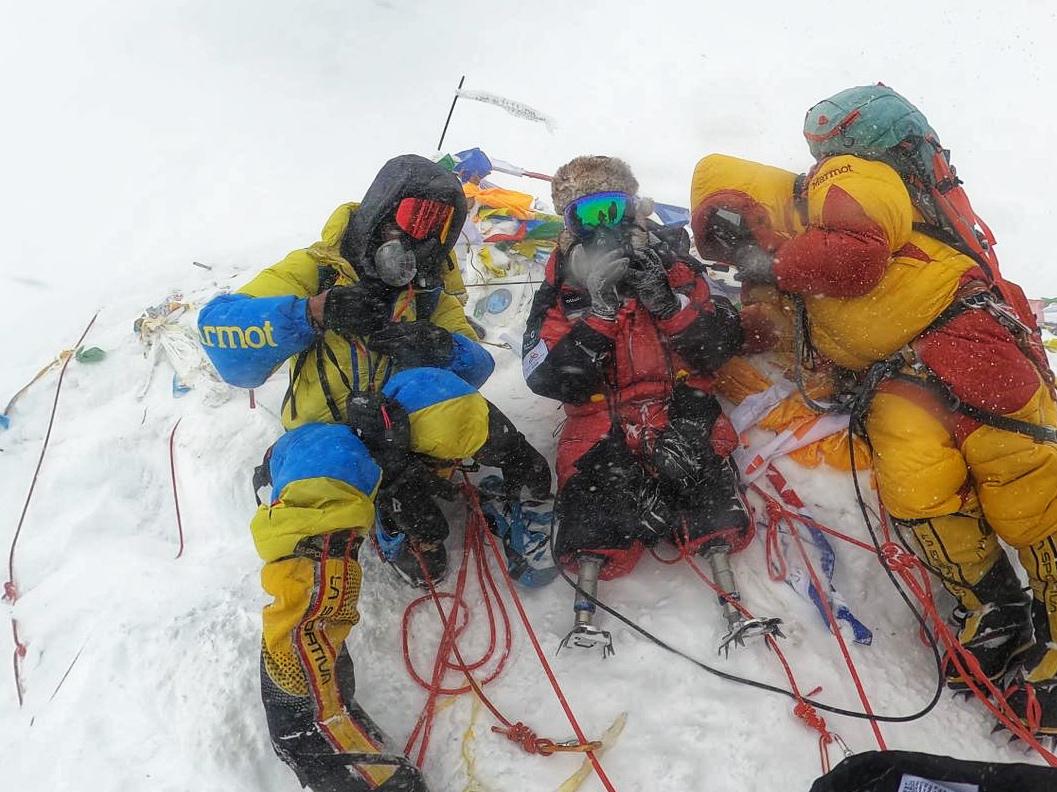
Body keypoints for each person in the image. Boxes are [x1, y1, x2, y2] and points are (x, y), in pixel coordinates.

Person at [692, 85, 1057, 734]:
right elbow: (766, 332)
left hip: (964, 343)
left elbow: (856, 259)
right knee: (921, 497)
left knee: (1027, 492)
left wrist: (765, 256)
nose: (726, 246)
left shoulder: (848, 175)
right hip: (898, 380)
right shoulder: (787, 248)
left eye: (725, 228)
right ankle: (994, 611)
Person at [198, 154, 551, 791]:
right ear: (379, 210)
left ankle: (518, 478)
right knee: (330, 468)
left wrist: (437, 346)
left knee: (441, 397)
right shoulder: (315, 266)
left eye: (443, 229)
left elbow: (471, 360)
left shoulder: (428, 290)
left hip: (399, 439)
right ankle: (308, 703)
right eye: (416, 217)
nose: (422, 239)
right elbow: (223, 339)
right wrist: (311, 312)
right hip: (327, 441)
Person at [521, 155, 748, 623]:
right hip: (600, 421)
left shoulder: (673, 263)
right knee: (598, 529)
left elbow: (722, 343)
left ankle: (723, 580)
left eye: (614, 208)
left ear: (635, 207)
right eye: (588, 214)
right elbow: (543, 374)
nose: (605, 225)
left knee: (711, 513)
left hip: (681, 405)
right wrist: (600, 316)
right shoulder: (561, 286)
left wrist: (669, 305)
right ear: (569, 224)